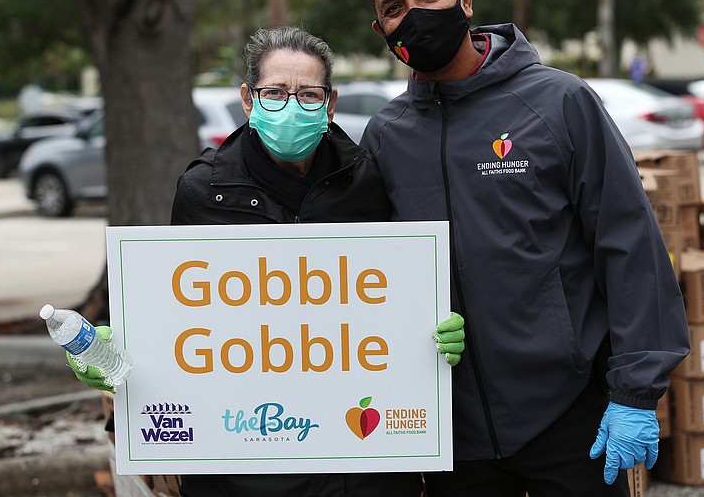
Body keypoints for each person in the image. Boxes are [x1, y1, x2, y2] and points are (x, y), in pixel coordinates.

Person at [65, 25, 465, 497]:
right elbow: (180, 317)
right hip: (240, 470)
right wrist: (120, 346)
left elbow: (393, 297)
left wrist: (433, 331)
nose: (292, 107)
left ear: (331, 103)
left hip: (356, 470)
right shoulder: (202, 191)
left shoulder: (368, 181)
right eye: (275, 92)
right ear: (248, 100)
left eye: (309, 94)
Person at [361, 0, 690, 496]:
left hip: (569, 418)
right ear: (381, 32)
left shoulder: (560, 102)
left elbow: (629, 245)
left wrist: (635, 392)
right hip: (453, 434)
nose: (413, 13)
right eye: (394, 6)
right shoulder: (386, 138)